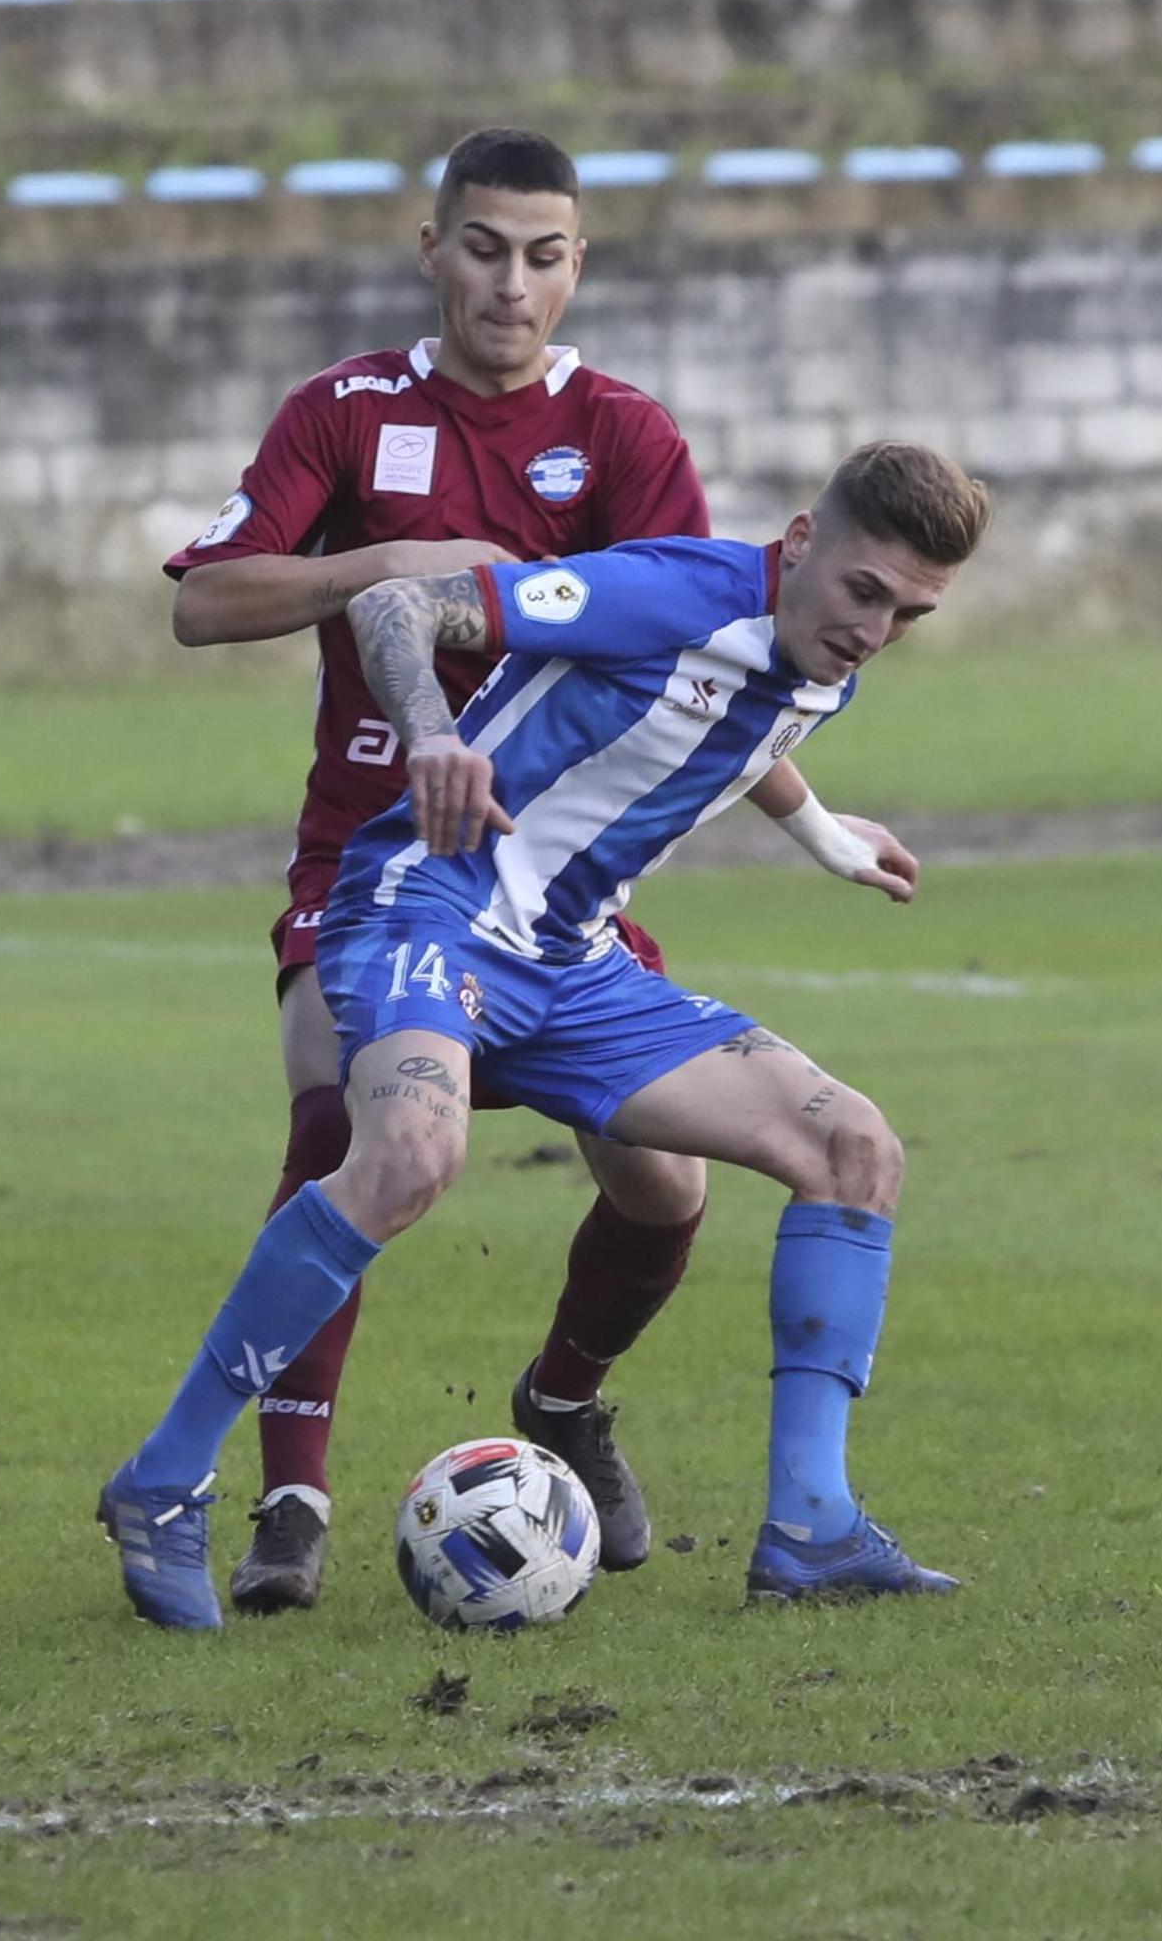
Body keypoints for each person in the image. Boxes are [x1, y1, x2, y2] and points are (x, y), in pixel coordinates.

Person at [99, 438, 992, 1631]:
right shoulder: (666, 588)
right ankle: (164, 1481)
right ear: (796, 544)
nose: (875, 628)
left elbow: (735, 718)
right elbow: (397, 603)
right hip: (431, 907)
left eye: (909, 612)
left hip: (572, 967)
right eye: (862, 591)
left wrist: (823, 832)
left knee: (854, 1150)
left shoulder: (824, 659)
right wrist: (431, 734)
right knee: (411, 1152)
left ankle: (813, 1526)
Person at [162, 127, 816, 1614]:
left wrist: (809, 818)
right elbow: (206, 604)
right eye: (481, 248)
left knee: (664, 1192)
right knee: (344, 1117)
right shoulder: (342, 413)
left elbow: (704, 662)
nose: (509, 285)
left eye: (543, 255)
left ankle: (566, 1401)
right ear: (429, 248)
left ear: (576, 265)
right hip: (373, 857)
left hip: (556, 884)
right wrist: (386, 568)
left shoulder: (628, 437)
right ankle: (289, 1501)